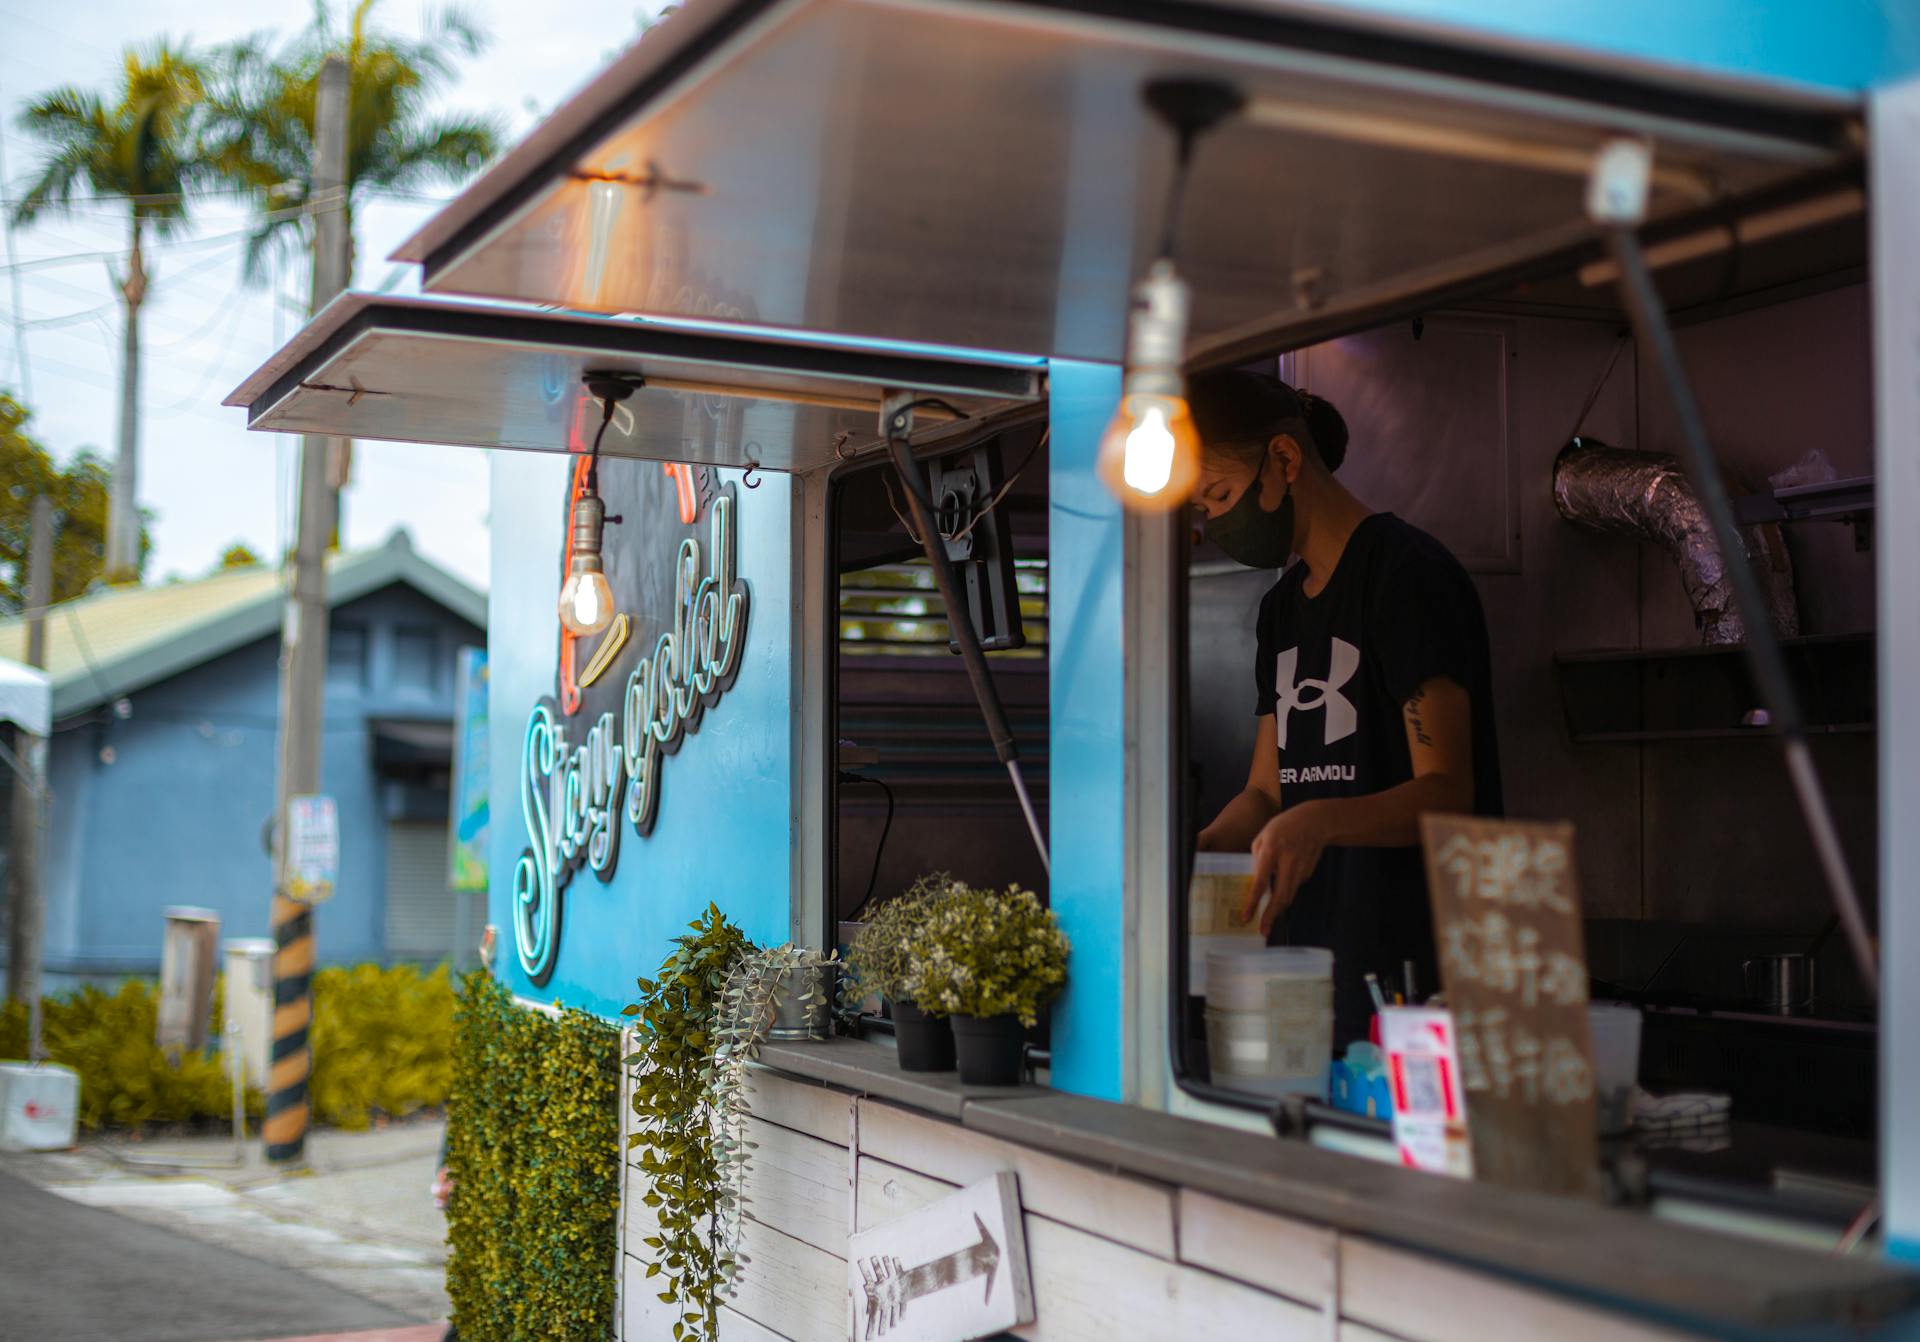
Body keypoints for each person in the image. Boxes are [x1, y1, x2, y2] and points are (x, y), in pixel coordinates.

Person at [1191, 370, 1502, 1046]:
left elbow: (1449, 794)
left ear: (1284, 459)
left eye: (1217, 494)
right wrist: (1203, 848)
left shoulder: (1406, 575)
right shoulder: (1280, 612)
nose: (1212, 522)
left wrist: (1321, 821)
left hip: (1412, 977)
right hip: (1308, 971)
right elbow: (1267, 792)